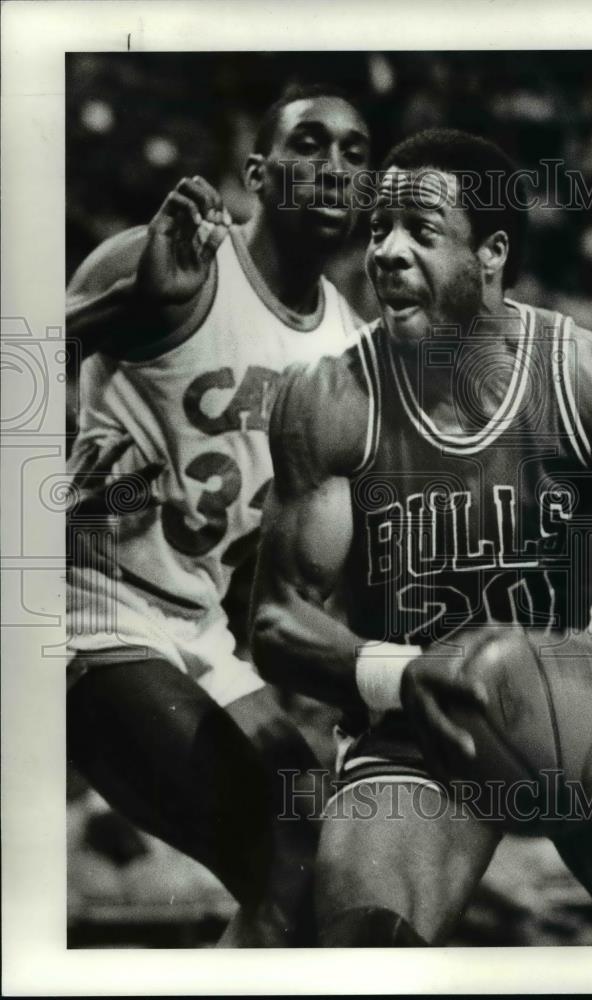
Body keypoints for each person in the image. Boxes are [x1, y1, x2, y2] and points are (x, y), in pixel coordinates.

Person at [249, 128, 592, 946]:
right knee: (363, 952)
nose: (388, 253)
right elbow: (276, 622)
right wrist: (410, 677)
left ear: (491, 252)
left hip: (587, 711)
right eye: (379, 230)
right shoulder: (330, 399)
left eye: (421, 233)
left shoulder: (588, 377)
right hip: (414, 734)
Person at [65, 83, 371, 946]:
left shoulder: (346, 350)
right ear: (258, 173)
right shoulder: (167, 260)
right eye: (308, 143)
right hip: (82, 601)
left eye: (354, 152)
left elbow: (303, 557)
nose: (331, 166)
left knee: (319, 861)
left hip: (197, 627)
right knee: (281, 848)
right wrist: (118, 308)